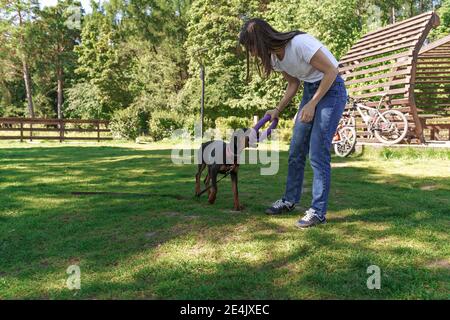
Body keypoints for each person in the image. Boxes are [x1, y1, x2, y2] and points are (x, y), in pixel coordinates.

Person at [239, 18, 347, 228]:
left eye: (251, 47)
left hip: (332, 90)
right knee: (296, 149)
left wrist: (312, 104)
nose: (251, 53)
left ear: (260, 41)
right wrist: (278, 109)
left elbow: (332, 71)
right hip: (311, 90)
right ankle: (289, 200)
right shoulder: (276, 58)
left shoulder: (299, 43)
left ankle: (317, 211)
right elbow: (293, 83)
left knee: (317, 151)